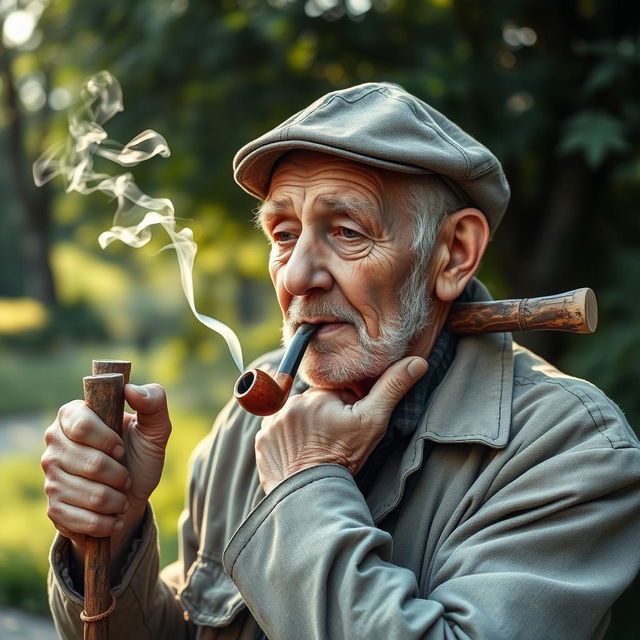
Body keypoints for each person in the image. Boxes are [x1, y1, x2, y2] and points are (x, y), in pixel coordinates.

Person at [42, 82, 640, 639]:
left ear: (454, 253)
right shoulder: (249, 424)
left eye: (348, 231)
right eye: (282, 233)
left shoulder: (568, 451)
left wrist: (304, 483)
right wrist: (111, 540)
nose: (297, 275)